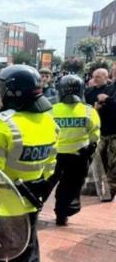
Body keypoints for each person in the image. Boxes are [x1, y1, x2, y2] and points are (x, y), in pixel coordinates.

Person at [0, 65, 58, 262]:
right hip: (28, 205)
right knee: (27, 261)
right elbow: (49, 169)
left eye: (1, 90)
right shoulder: (49, 121)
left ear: (13, 93)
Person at [49, 75, 100, 226]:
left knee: (46, 183)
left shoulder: (51, 110)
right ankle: (62, 215)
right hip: (78, 156)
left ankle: (33, 211)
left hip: (54, 155)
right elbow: (95, 136)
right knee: (69, 186)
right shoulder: (89, 112)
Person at [88, 68, 116, 200]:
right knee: (97, 161)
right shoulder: (109, 89)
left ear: (105, 77)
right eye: (114, 72)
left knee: (113, 164)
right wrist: (97, 107)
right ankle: (95, 188)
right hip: (101, 132)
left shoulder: (109, 91)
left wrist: (108, 100)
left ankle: (109, 192)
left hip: (114, 132)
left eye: (98, 76)